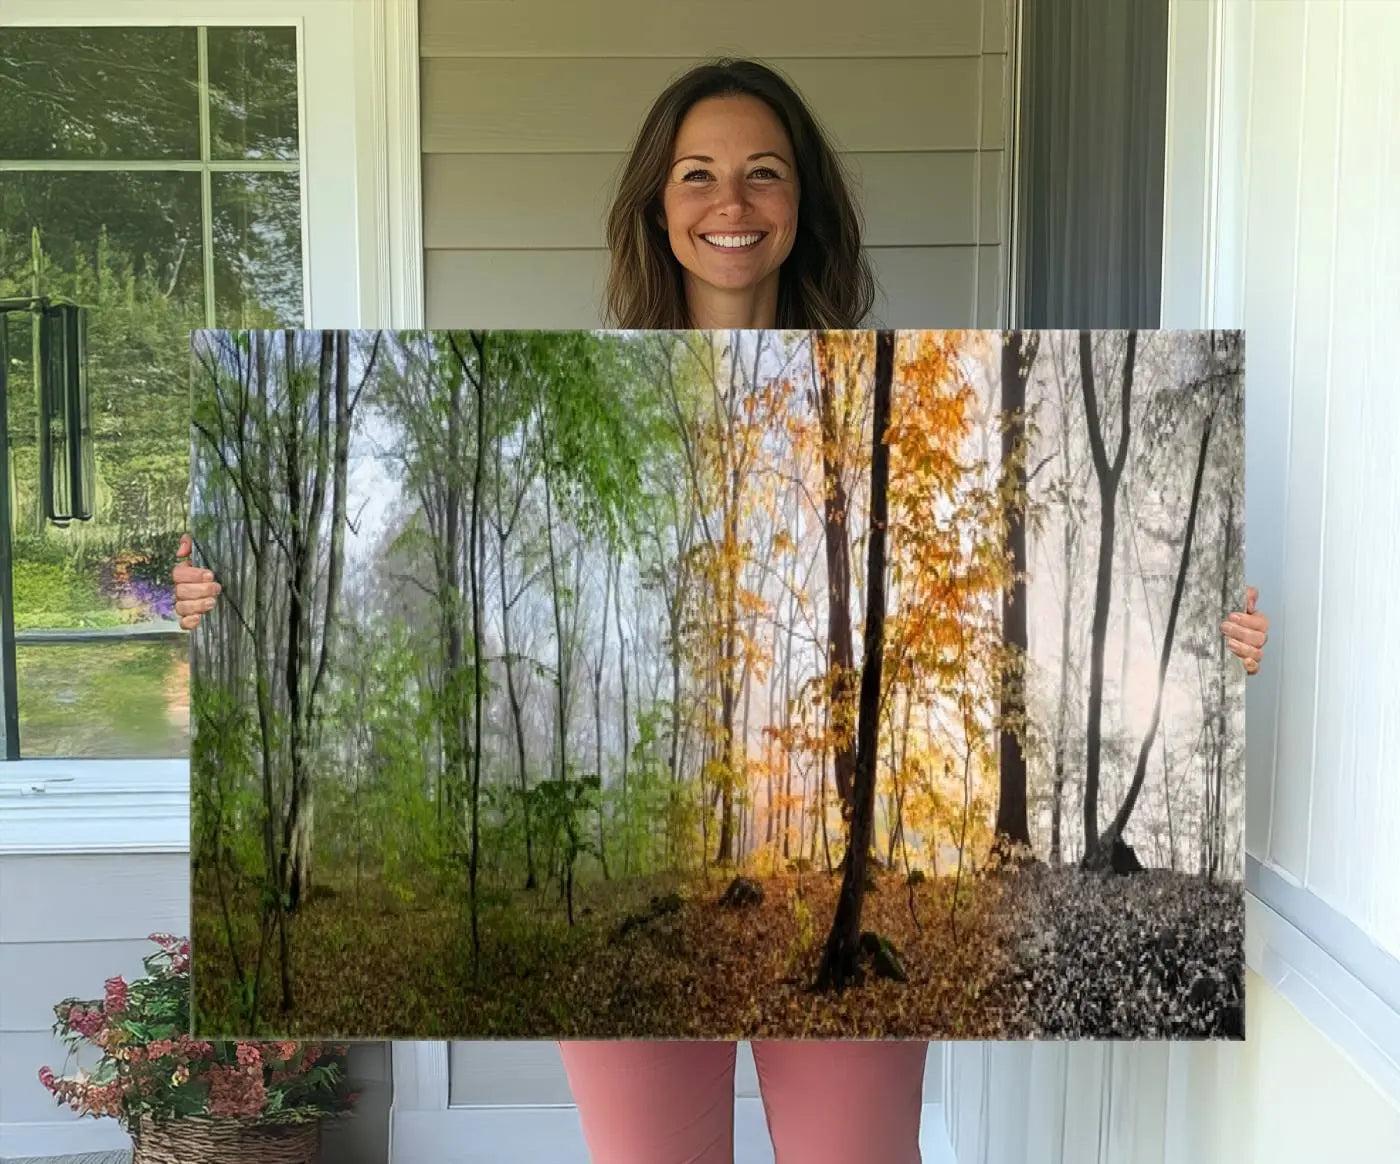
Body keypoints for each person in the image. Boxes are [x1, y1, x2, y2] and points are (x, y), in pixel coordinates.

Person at [171, 58, 1270, 1164]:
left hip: (847, 874)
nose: (729, 204)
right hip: (641, 844)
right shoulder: (565, 402)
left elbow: (1014, 595)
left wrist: (1199, 647)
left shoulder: (904, 383)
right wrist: (223, 608)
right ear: (658, 205)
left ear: (802, 207)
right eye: (696, 175)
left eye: (762, 174)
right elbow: (439, 598)